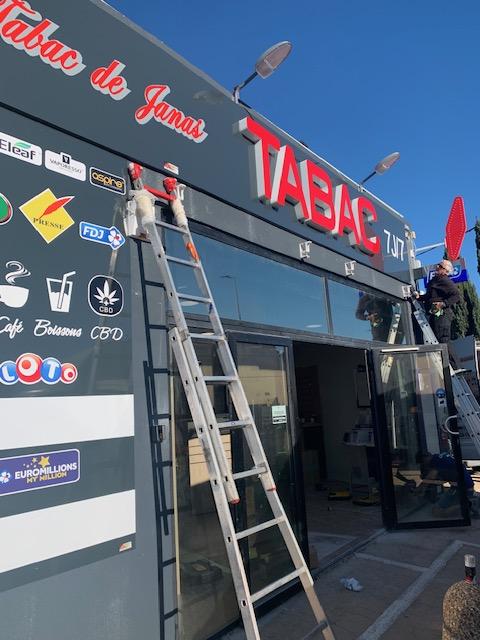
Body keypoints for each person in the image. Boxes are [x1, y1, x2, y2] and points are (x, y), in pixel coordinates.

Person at [416, 451, 477, 517]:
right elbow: (444, 475)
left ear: (426, 458)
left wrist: (419, 489)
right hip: (464, 485)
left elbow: (430, 477)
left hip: (460, 488)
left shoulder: (436, 460)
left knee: (436, 511)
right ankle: (466, 503)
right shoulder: (441, 457)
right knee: (444, 506)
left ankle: (467, 504)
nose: (424, 464)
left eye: (423, 462)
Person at [418, 259, 460, 344]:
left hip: (442, 314)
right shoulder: (434, 280)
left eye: (440, 266)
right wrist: (419, 297)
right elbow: (428, 297)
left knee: (442, 339)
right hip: (434, 313)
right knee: (434, 339)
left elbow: (456, 295)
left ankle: (446, 356)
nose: (437, 267)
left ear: (445, 270)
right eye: (438, 265)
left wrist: (443, 304)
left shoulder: (445, 280)